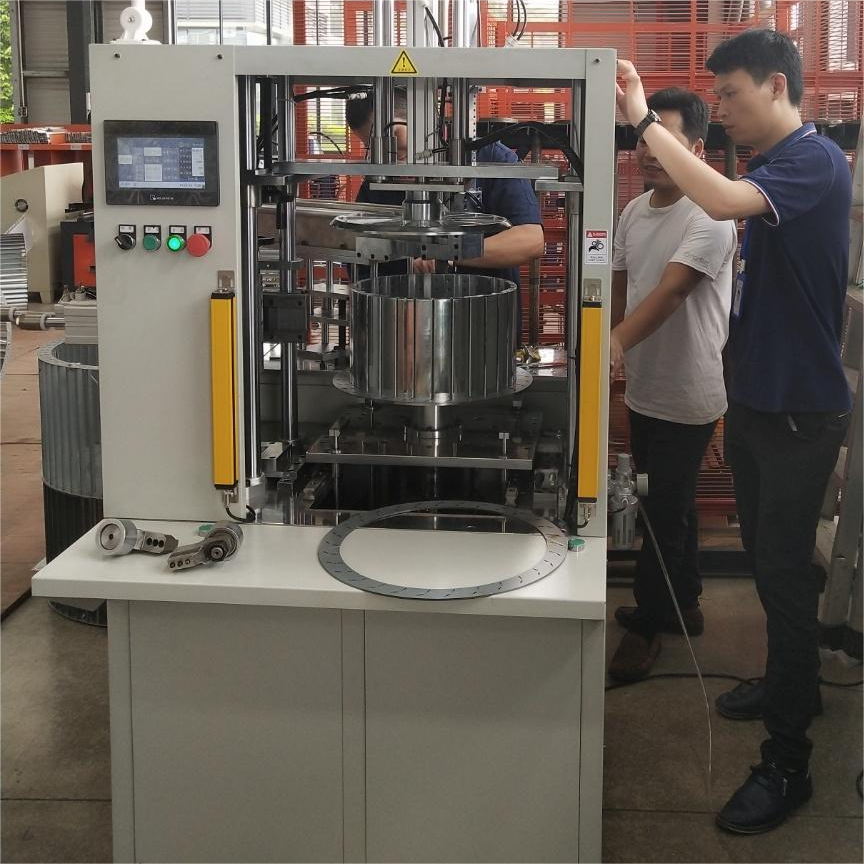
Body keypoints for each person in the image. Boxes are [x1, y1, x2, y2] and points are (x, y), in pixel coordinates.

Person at [616, 29, 852, 834]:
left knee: (782, 580)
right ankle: (792, 686)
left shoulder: (814, 162)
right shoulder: (776, 164)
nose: (721, 108)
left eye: (730, 93)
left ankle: (788, 761)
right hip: (757, 401)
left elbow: (715, 202)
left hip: (796, 411)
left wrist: (644, 119)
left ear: (779, 86)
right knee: (767, 567)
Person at [607, 88, 737, 682]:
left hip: (689, 396)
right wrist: (610, 344)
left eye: (664, 140)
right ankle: (686, 601)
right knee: (671, 504)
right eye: (643, 139)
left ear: (696, 148)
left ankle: (649, 626)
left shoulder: (711, 214)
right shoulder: (634, 211)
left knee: (660, 513)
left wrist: (615, 343)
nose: (649, 151)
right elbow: (620, 282)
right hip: (644, 389)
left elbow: (673, 291)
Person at [345, 88, 544, 293]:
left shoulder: (490, 158)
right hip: (405, 307)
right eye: (373, 146)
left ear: (424, 120)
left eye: (393, 136)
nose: (390, 153)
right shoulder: (381, 177)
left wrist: (447, 254)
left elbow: (530, 240)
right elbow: (357, 255)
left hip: (483, 305)